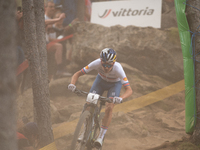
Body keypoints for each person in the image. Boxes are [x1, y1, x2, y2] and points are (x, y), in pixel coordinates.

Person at [68, 48, 133, 148]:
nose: (106, 68)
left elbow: (129, 90)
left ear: (114, 63)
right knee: (89, 102)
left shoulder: (118, 69)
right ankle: (85, 130)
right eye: (104, 65)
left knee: (109, 107)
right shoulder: (96, 63)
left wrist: (121, 98)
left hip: (114, 85)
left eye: (109, 65)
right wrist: (72, 84)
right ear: (101, 61)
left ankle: (101, 136)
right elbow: (77, 74)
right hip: (100, 82)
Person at [45, 1, 72, 79]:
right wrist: (58, 19)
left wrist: (56, 40)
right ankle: (60, 69)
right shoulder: (45, 18)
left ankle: (59, 71)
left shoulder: (51, 19)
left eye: (53, 7)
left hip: (49, 45)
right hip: (43, 44)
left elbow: (48, 36)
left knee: (50, 70)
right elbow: (45, 22)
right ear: (45, 7)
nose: (52, 8)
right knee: (59, 46)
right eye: (50, 7)